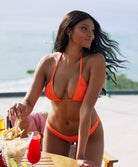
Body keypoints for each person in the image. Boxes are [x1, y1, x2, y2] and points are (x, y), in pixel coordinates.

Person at [8, 10, 125, 167]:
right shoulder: (47, 63)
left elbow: (86, 109)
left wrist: (81, 155)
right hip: (55, 131)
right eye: (84, 28)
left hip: (90, 133)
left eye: (92, 30)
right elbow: (29, 102)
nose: (91, 34)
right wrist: (20, 107)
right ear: (68, 31)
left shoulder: (95, 61)